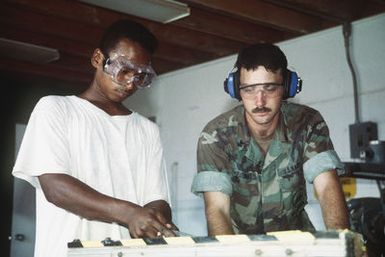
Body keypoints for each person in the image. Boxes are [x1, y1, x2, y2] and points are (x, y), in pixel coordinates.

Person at [12, 19, 176, 257]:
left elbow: (157, 199)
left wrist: (156, 220)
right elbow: (55, 187)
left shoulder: (147, 129)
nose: (130, 83)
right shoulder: (56, 109)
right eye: (124, 70)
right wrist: (130, 213)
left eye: (140, 76)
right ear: (98, 59)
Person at [191, 43, 349, 236]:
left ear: (288, 87)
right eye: (249, 89)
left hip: (295, 243)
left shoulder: (307, 123)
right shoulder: (216, 136)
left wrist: (343, 244)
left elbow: (326, 187)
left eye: (270, 88)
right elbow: (218, 209)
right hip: (239, 245)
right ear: (235, 90)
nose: (260, 101)